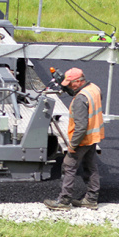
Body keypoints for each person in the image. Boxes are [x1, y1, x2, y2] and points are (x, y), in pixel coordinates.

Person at [45, 67, 104, 211]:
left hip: (82, 139)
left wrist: (73, 145)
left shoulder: (80, 99)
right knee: (91, 167)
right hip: (93, 136)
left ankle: (64, 201)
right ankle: (91, 199)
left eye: (70, 84)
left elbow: (81, 126)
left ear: (78, 81)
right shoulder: (94, 88)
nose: (69, 87)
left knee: (68, 166)